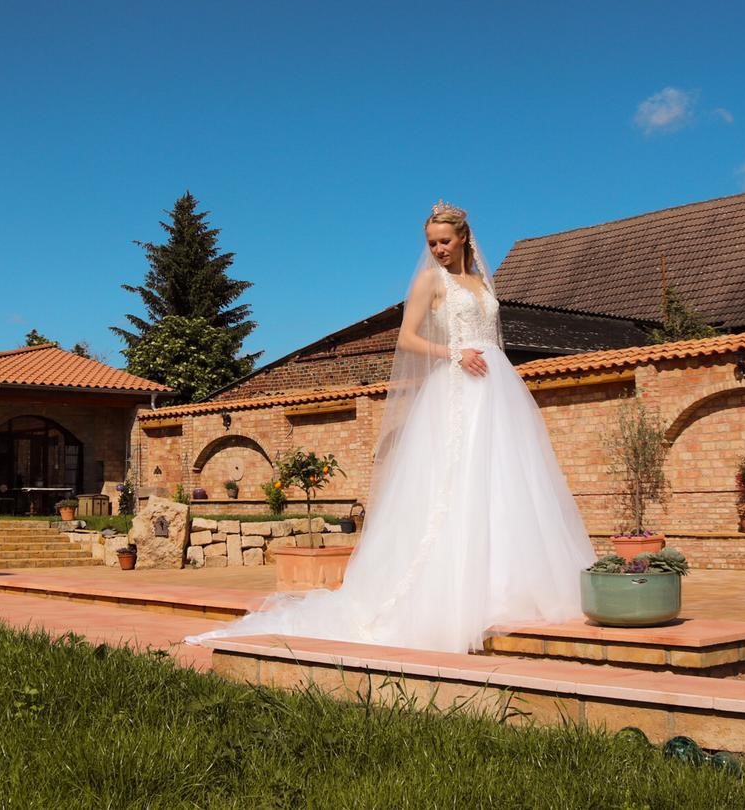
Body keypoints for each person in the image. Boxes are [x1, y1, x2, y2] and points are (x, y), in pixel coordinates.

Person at [189, 202, 597, 653]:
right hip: (456, 385)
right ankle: (444, 595)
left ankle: (507, 588)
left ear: (464, 237)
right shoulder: (431, 281)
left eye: (445, 241)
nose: (438, 250)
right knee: (453, 482)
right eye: (431, 243)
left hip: (496, 385)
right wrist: (454, 353)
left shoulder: (482, 281)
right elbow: (407, 337)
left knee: (505, 482)